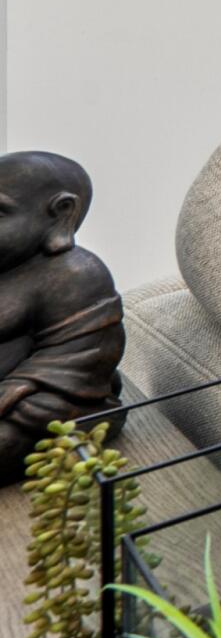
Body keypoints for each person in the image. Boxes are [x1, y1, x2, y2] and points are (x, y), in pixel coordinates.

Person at [0, 152, 122, 473]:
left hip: (33, 405)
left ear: (61, 212)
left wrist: (10, 395)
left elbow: (81, 363)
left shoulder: (77, 276)